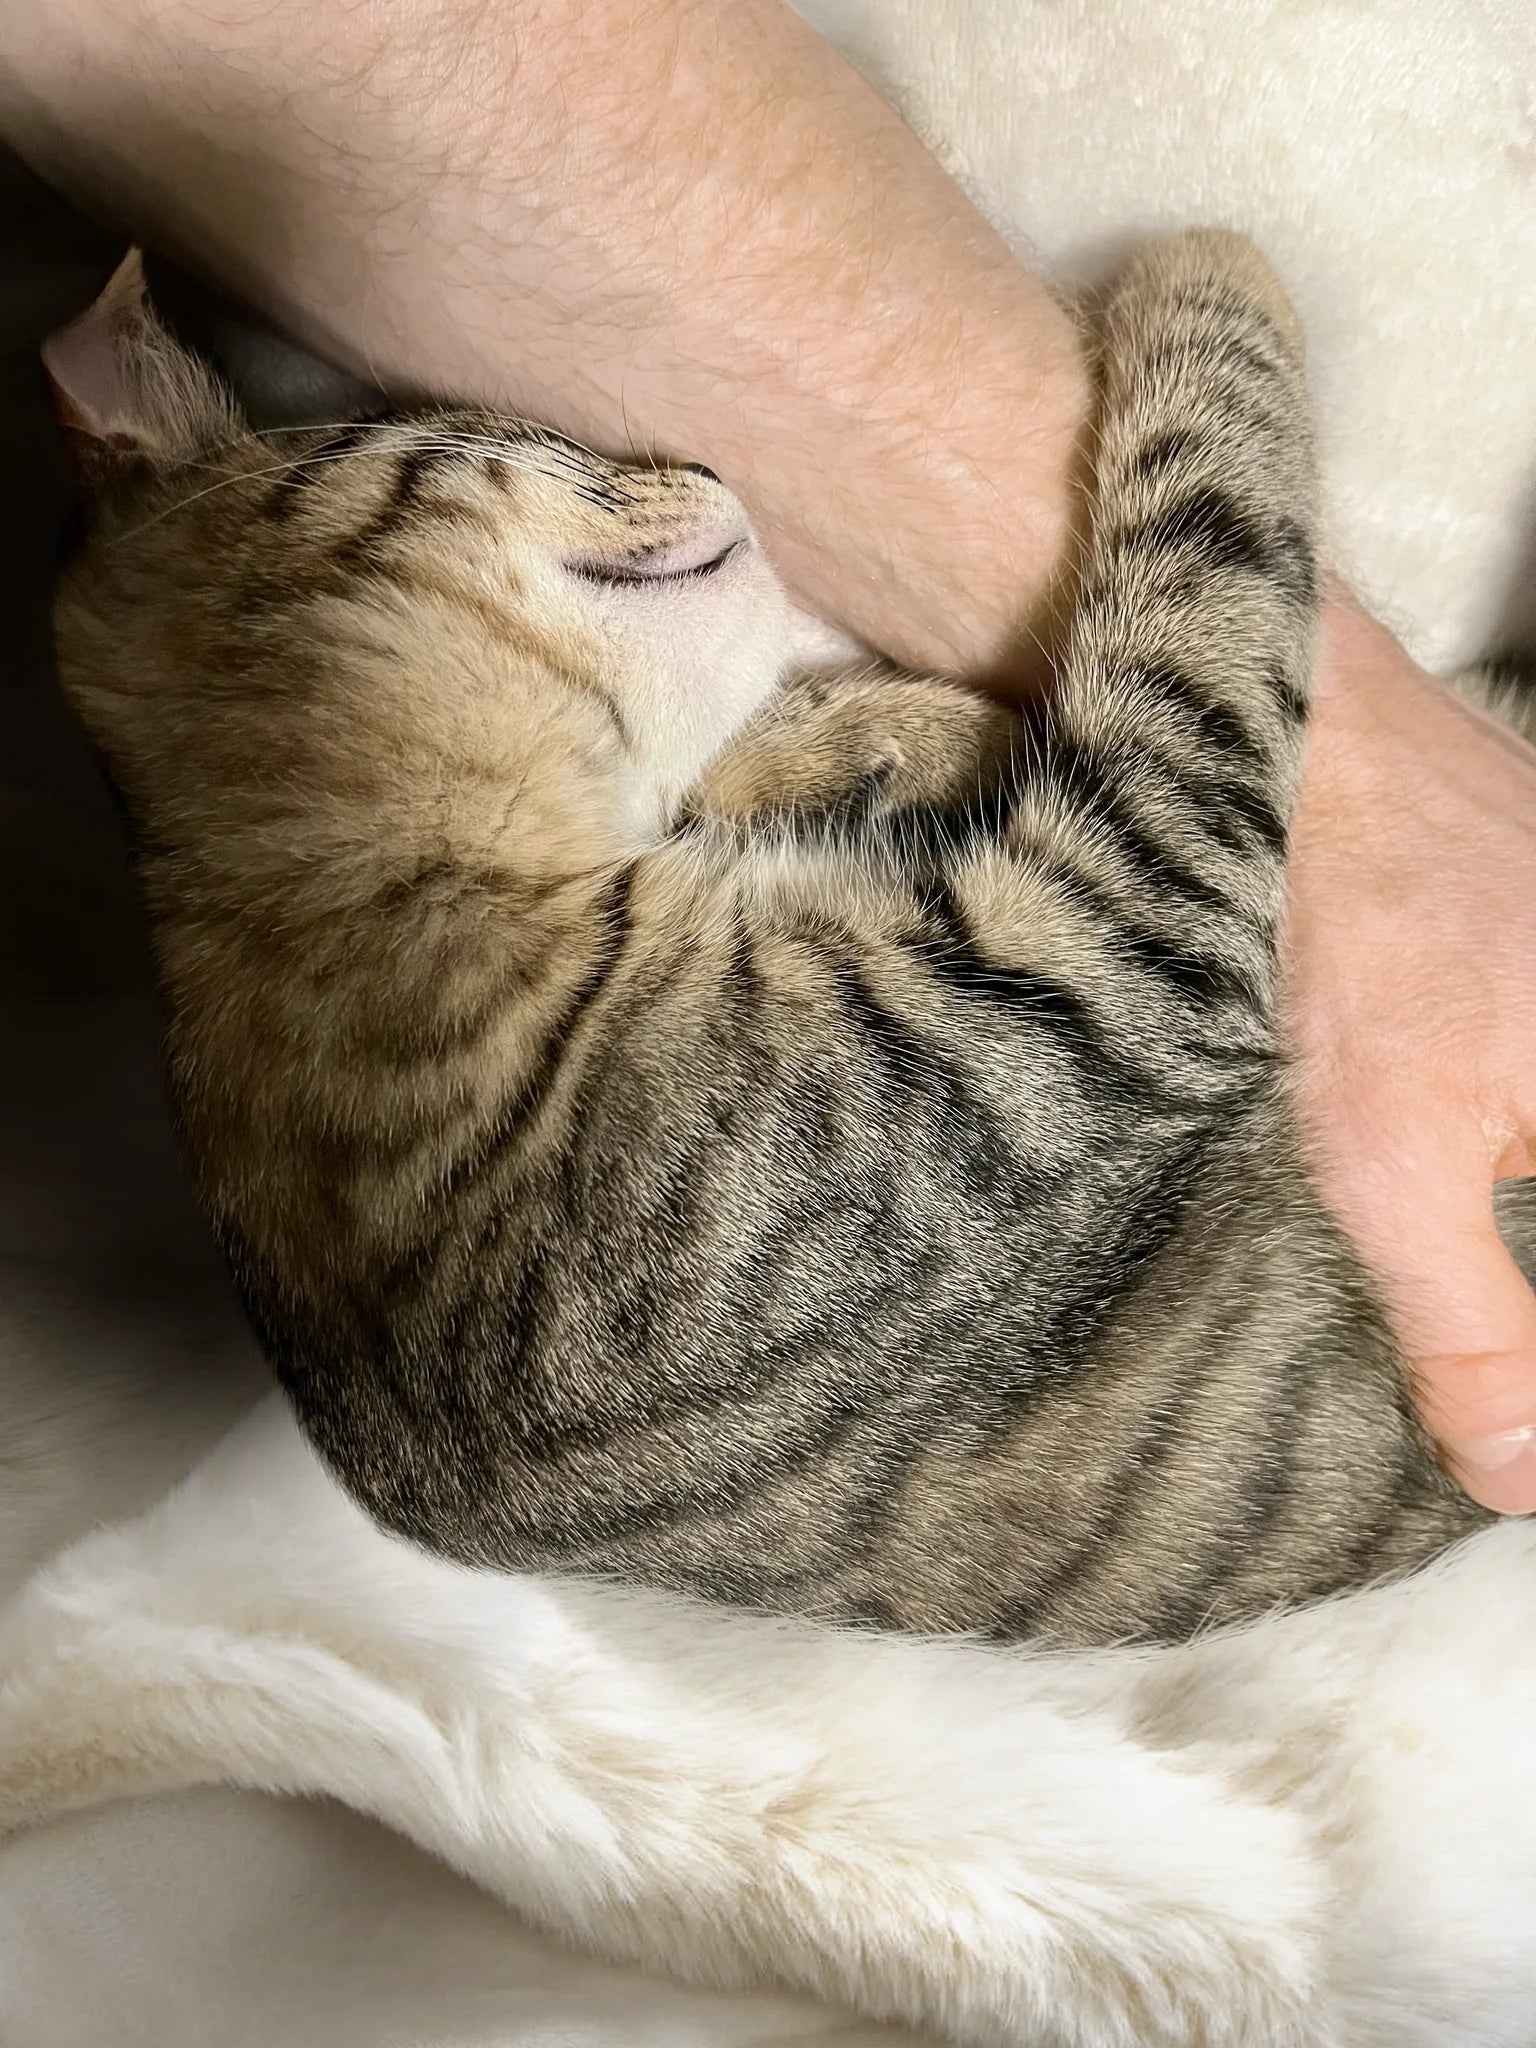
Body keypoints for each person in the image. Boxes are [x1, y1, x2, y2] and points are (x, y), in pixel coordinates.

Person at [2, 0, 1534, 1507]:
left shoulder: (491, 1141)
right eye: (539, 464)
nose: (683, 481)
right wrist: (1218, 348)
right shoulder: (594, 1194)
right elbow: (1161, 931)